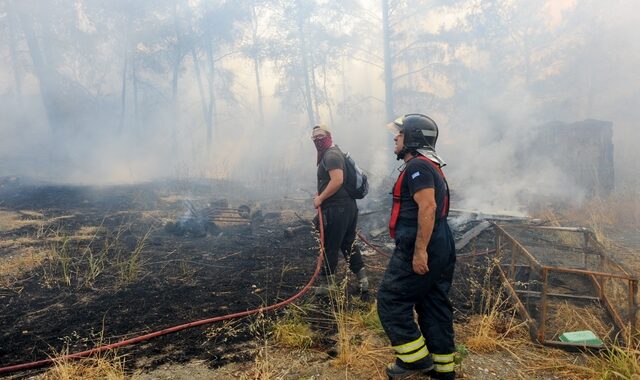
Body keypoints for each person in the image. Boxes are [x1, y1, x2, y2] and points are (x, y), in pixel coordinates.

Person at [377, 114, 456, 379]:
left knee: (391, 299)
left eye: (399, 135)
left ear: (412, 138)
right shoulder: (430, 165)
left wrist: (420, 250)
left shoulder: (417, 168)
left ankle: (415, 360)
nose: (395, 138)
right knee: (433, 302)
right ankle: (443, 368)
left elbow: (428, 206)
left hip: (422, 242)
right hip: (441, 241)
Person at [311, 125, 369, 295]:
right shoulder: (334, 153)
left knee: (330, 244)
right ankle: (363, 281)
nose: (317, 140)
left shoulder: (331, 155)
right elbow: (331, 180)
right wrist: (321, 192)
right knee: (347, 243)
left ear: (329, 136)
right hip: (346, 207)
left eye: (320, 136)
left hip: (338, 209)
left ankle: (326, 286)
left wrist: (321, 198)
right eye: (314, 138)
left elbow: (337, 180)